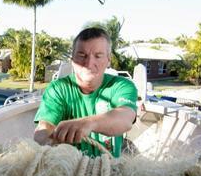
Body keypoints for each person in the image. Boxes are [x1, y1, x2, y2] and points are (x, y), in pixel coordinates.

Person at [34, 27, 137, 157]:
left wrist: (89, 123)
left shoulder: (121, 86)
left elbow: (125, 118)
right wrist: (47, 138)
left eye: (98, 56)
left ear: (108, 60)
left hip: (110, 168)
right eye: (82, 55)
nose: (89, 63)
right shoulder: (58, 88)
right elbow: (44, 128)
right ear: (72, 59)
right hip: (68, 170)